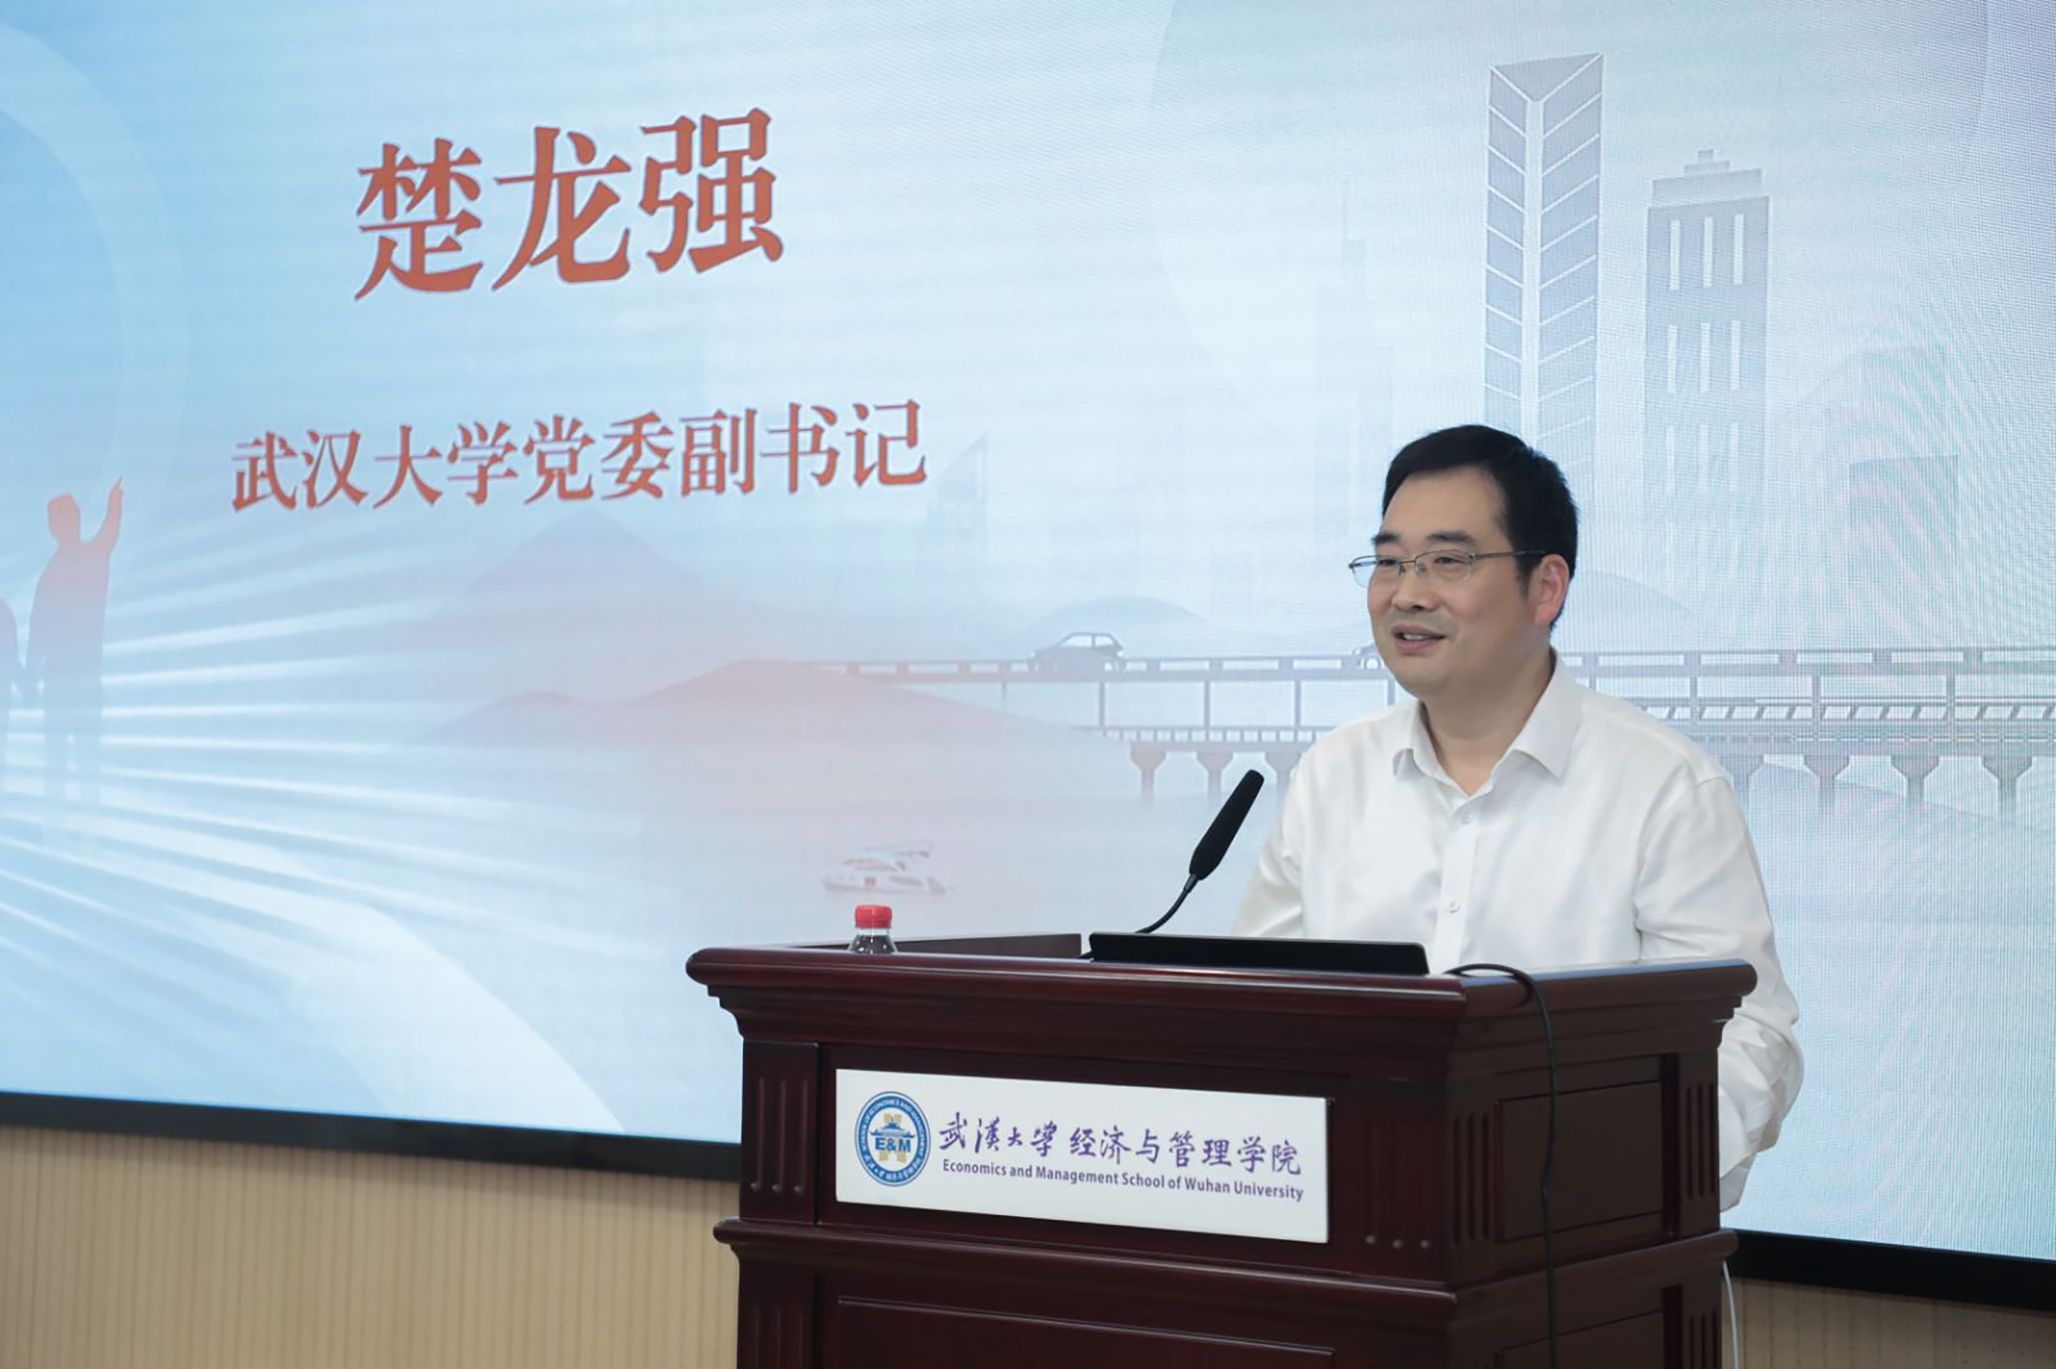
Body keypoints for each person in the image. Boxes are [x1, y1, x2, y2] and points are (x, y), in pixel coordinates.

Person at [1235, 425, 1800, 1208]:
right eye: (1390, 561)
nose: (1407, 593)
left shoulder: (1663, 786)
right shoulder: (1332, 775)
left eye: (1448, 561)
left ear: (1546, 587)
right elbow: (1256, 1013)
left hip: (1580, 1240)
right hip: (1355, 1227)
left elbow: (1746, 1038)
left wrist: (1610, 1177)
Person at [28, 480, 123, 808]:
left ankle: (80, 824)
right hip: (67, 682)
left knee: (79, 764)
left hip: (77, 681)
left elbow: (37, 632)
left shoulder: (80, 561)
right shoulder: (56, 572)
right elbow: (38, 631)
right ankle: (67, 825)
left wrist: (115, 505)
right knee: (70, 765)